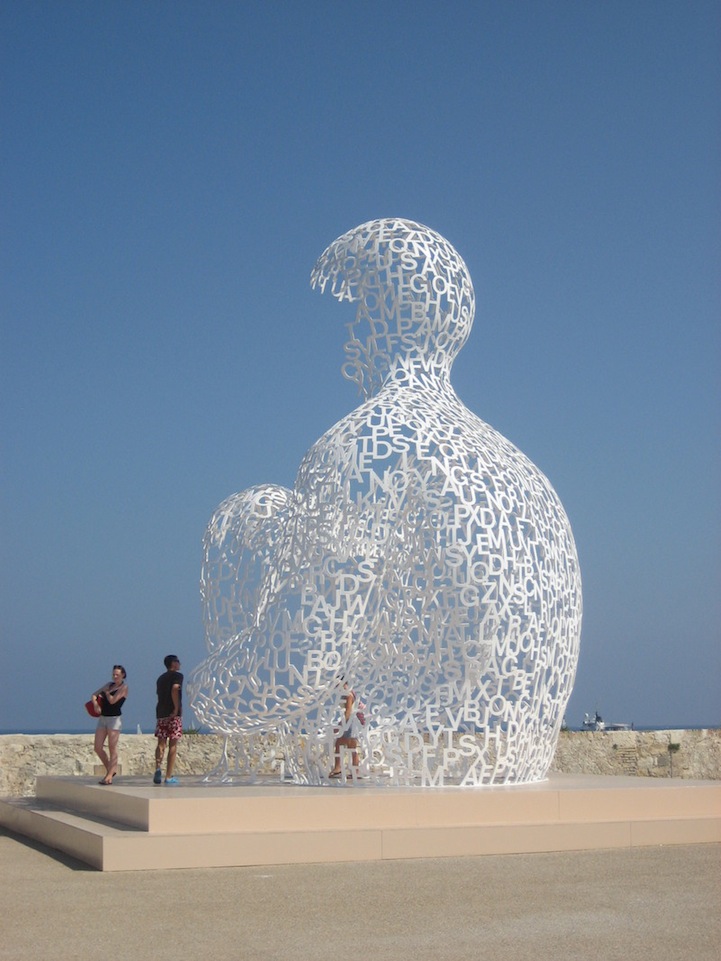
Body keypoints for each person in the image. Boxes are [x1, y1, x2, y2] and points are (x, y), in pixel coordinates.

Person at [92, 665, 128, 785]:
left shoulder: (124, 687)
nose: (115, 676)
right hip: (103, 718)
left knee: (112, 747)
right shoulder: (108, 684)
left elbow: (113, 701)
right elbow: (94, 695)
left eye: (117, 674)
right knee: (97, 747)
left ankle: (109, 776)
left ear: (123, 675)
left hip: (114, 719)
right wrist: (96, 704)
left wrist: (107, 693)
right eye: (114, 674)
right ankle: (111, 770)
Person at [153, 654, 183, 785]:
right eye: (178, 661)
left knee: (161, 743)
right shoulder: (177, 676)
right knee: (173, 744)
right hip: (173, 714)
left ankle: (158, 768)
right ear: (174, 664)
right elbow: (175, 689)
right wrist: (176, 708)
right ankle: (168, 776)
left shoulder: (160, 678)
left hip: (161, 713)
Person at [328, 679, 360, 779]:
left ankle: (340, 768)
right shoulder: (346, 694)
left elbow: (348, 711)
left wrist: (342, 725)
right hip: (350, 722)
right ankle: (352, 770)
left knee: (345, 745)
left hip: (350, 723)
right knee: (347, 746)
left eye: (338, 684)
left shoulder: (348, 695)